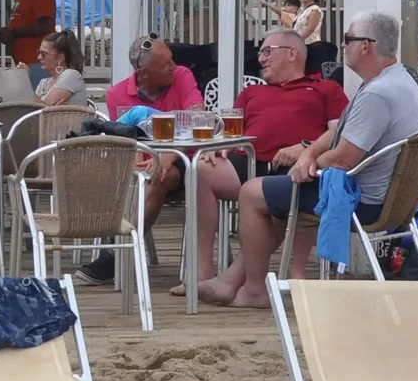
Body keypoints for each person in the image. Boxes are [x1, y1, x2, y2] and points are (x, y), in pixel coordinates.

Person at [198, 12, 418, 309]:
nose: (342, 46)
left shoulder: (377, 94)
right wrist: (309, 152)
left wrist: (310, 165)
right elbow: (339, 133)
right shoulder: (398, 82)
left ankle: (253, 289)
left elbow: (344, 158)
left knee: (253, 192)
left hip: (363, 201)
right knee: (275, 189)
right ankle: (231, 279)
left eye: (347, 40)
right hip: (392, 200)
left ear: (366, 46)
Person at [179, 29, 348, 298]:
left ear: (293, 53)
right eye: (261, 53)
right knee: (199, 170)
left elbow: (338, 131)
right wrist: (219, 146)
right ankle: (204, 270)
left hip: (295, 164)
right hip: (249, 158)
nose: (261, 60)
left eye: (268, 51)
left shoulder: (326, 88)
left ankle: (268, 276)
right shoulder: (251, 93)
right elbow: (234, 133)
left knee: (294, 183)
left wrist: (305, 148)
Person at [80, 36, 204, 282]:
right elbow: (127, 141)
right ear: (144, 73)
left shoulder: (181, 75)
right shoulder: (117, 94)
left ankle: (116, 254)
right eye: (165, 64)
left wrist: (167, 156)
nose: (173, 66)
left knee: (160, 175)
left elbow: (197, 115)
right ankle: (121, 249)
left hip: (184, 159)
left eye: (172, 60)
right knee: (121, 176)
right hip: (141, 165)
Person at [35, 29, 89, 108]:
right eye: (39, 53)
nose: (39, 57)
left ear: (60, 57)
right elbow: (31, 110)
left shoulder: (71, 76)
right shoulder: (44, 83)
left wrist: (23, 78)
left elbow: (41, 109)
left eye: (44, 53)